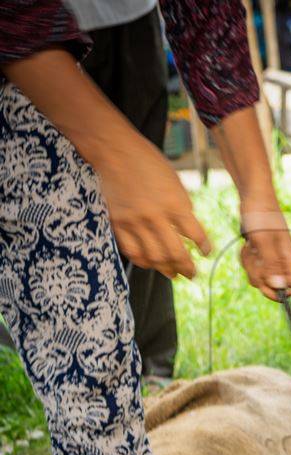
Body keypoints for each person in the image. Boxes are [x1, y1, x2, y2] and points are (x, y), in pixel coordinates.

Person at [0, 0, 291, 455]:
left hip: (83, 47)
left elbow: (209, 24)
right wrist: (112, 150)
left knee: (91, 329)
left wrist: (259, 198)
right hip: (21, 48)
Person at [69, 0, 179, 379]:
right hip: (53, 36)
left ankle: (152, 363)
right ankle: (91, 366)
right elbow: (17, 30)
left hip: (134, 20)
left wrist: (257, 191)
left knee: (148, 210)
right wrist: (114, 158)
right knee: (71, 214)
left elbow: (210, 25)